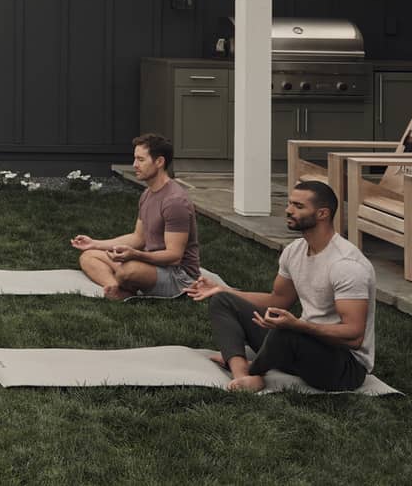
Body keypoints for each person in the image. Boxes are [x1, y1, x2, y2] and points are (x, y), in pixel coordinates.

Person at [185, 180, 376, 392]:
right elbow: (278, 299)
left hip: (343, 367)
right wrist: (223, 289)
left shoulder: (347, 265)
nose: (288, 210)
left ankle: (255, 367)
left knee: (285, 331)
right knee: (223, 301)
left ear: (323, 214)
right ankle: (243, 374)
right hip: (300, 344)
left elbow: (354, 336)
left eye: (298, 206)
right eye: (289, 203)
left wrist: (298, 326)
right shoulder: (294, 251)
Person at [70, 133, 199, 299]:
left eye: (141, 160)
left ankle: (125, 283)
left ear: (159, 162)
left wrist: (136, 255)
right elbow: (138, 238)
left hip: (179, 276)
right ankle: (114, 286)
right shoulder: (147, 193)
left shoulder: (175, 201)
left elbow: (174, 257)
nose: (134, 165)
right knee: (89, 256)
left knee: (128, 270)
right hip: (152, 264)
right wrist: (94, 243)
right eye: (135, 159)